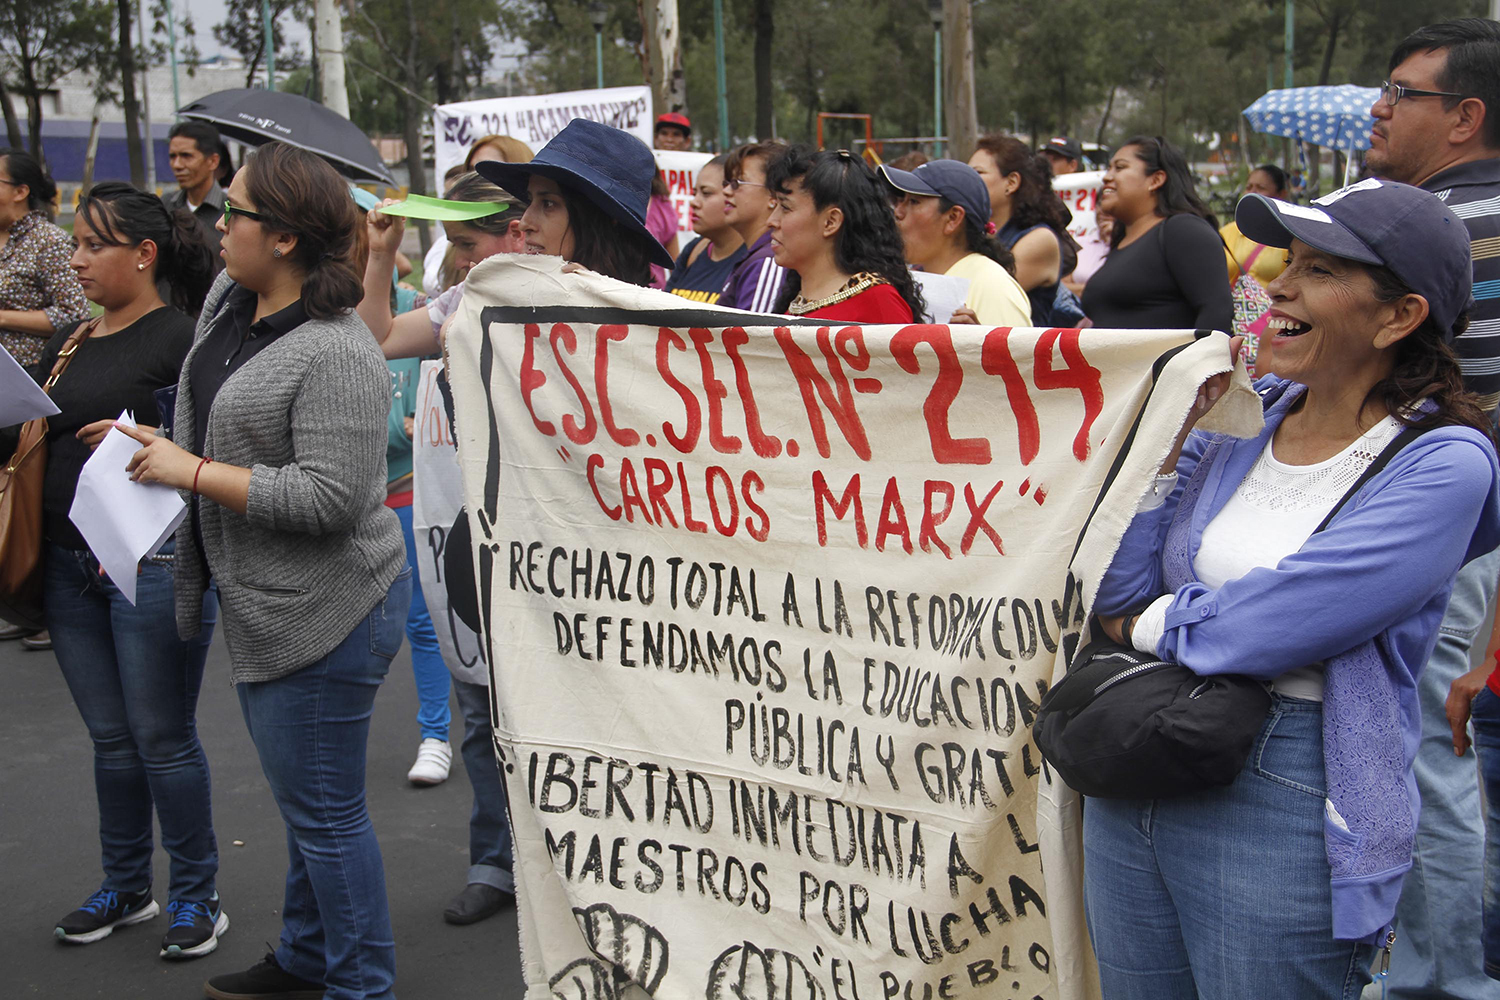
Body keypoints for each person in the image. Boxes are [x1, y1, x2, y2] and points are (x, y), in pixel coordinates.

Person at [1088, 179, 1500, 1000]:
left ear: (1398, 317)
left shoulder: (1443, 462)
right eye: (1288, 261)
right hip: (1138, 770)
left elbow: (1278, 622)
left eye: (1319, 269)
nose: (1276, 285)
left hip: (1287, 796)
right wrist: (1172, 446)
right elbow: (1112, 584)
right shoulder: (1249, 418)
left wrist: (1148, 627)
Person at [112, 141, 411, 1000]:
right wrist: (161, 449)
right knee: (306, 807)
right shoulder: (230, 303)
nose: (217, 221)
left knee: (326, 816)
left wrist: (192, 471)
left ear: (283, 237)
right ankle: (308, 959)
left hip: (327, 611)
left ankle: (361, 984)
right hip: (266, 601)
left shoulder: (337, 351)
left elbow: (331, 498)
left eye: (235, 210)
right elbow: (206, 407)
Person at [0, 182, 223, 959]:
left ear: (144, 254)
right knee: (111, 740)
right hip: (67, 566)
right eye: (75, 242)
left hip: (151, 561)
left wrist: (142, 440)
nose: (78, 257)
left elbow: (214, 450)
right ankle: (127, 886)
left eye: (94, 244)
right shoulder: (71, 338)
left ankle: (198, 895)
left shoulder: (181, 338)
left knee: (163, 737)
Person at [1366, 18, 1500, 998]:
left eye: (1401, 94)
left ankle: (1440, 975)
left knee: (1427, 749)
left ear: (1463, 116)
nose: (1379, 108)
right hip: (1474, 532)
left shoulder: (1438, 230)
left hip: (1446, 528)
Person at [0, 148, 90, 648]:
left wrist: (3, 318)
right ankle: (18, 598)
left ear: (20, 191)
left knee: (28, 493)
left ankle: (45, 607)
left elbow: (74, 313)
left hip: (30, 382)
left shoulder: (51, 242)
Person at [361, 171, 525, 362]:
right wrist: (382, 252)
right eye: (454, 245)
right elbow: (376, 342)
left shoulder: (563, 292)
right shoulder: (462, 299)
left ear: (516, 234)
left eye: (467, 244)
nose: (458, 262)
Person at [1081, 135, 1233, 332]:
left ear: (1156, 180)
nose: (1107, 177)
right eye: (1109, 168)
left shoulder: (1183, 229)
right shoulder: (1122, 240)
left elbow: (1216, 310)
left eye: (1119, 168)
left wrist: (1195, 360)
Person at [764, 146, 924, 323]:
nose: (771, 221)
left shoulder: (876, 302)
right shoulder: (795, 301)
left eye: (785, 207)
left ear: (831, 222)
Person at [882, 158, 1031, 325]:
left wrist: (977, 346)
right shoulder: (913, 279)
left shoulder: (993, 286)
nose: (898, 212)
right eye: (899, 201)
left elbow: (1016, 351)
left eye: (914, 201)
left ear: (953, 218)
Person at [968, 135, 1078, 324]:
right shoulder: (978, 233)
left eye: (978, 173)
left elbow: (979, 295)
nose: (967, 181)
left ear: (1011, 183)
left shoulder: (1040, 239)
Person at [664, 154, 746, 304]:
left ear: (733, 196)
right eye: (695, 193)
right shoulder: (693, 250)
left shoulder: (754, 261)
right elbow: (661, 309)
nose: (694, 202)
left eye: (706, 193)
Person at [720, 140, 790, 313]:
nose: (726, 191)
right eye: (727, 182)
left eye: (739, 182)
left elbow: (755, 337)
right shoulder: (758, 256)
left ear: (774, 196)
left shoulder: (768, 260)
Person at [164, 121, 227, 271]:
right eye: (173, 156)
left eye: (186, 156)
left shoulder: (231, 210)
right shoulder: (165, 206)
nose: (177, 165)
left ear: (213, 161)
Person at [1220, 164, 1291, 290]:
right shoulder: (1226, 232)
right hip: (1231, 307)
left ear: (1281, 194)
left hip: (1271, 308)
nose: (1252, 192)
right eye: (1248, 187)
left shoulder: (1289, 238)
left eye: (1261, 188)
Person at [1063, 207, 1112, 297]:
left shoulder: (1134, 244)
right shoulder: (1077, 244)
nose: (1104, 212)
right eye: (1100, 204)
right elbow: (1062, 288)